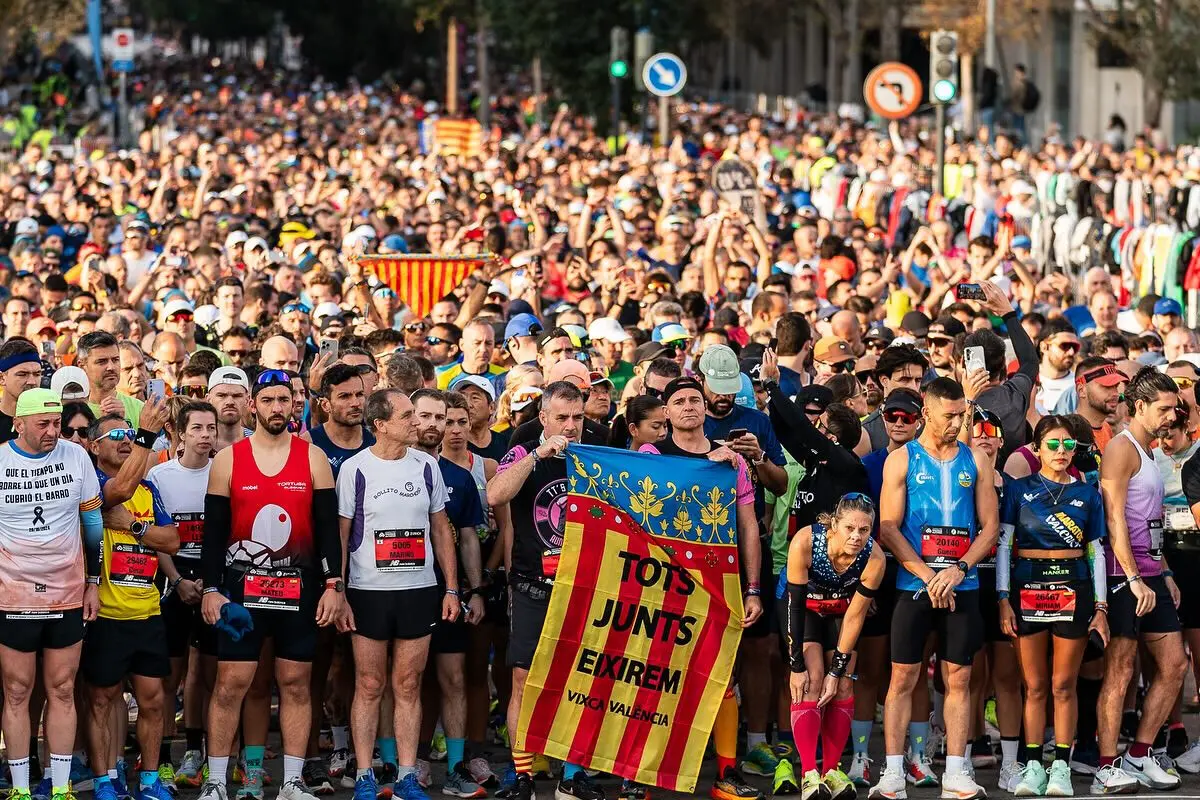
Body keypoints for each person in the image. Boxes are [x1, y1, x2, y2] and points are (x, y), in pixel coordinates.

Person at [197, 369, 345, 800]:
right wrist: (210, 589)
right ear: (252, 405)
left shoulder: (312, 457)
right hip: (241, 594)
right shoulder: (228, 460)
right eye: (268, 400)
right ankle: (216, 782)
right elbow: (214, 534)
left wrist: (334, 585)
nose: (277, 408)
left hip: (299, 591)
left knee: (296, 683)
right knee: (231, 684)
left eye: (284, 400)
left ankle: (292, 782)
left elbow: (326, 529)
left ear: (294, 405)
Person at [637, 376, 765, 800]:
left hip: (718, 583)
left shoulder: (732, 462)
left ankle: (726, 775)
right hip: (664, 584)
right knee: (655, 678)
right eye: (679, 401)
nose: (689, 406)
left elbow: (749, 527)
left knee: (720, 678)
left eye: (695, 399)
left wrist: (752, 588)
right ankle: (642, 776)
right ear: (666, 412)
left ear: (705, 408)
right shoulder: (652, 454)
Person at [870, 377, 998, 800]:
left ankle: (957, 772)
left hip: (963, 582)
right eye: (949, 415)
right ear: (926, 412)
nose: (957, 423)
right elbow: (888, 528)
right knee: (903, 677)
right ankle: (892, 772)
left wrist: (958, 570)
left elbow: (990, 527)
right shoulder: (902, 459)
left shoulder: (976, 459)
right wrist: (929, 576)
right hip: (915, 582)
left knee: (959, 678)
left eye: (962, 415)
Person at [486, 382, 611, 800]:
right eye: (562, 418)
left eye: (578, 417)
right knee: (523, 678)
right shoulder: (524, 452)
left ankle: (572, 775)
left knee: (578, 681)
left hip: (584, 586)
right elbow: (496, 494)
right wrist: (539, 454)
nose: (571, 426)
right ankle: (523, 775)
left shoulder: (596, 456)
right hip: (532, 585)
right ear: (543, 418)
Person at [336, 388, 461, 800]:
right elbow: (341, 536)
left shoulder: (427, 465)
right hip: (368, 591)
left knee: (408, 683)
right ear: (381, 424)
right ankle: (365, 774)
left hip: (418, 590)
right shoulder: (355, 469)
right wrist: (338, 590)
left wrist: (451, 588)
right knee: (370, 683)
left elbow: (441, 528)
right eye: (408, 415)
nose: (417, 422)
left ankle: (407, 775)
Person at [997, 416, 1110, 797]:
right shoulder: (1018, 489)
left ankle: (1061, 766)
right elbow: (1003, 546)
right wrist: (1002, 598)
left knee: (1064, 685)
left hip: (1074, 590)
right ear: (1037, 448)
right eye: (1053, 444)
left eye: (1069, 445)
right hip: (1027, 589)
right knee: (1034, 686)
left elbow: (1096, 552)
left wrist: (1101, 607)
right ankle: (1033, 766)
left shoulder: (1088, 494)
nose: (1061, 451)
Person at [0, 389, 102, 800]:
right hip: (13, 595)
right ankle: (20, 789)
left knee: (62, 689)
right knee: (16, 691)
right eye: (42, 424)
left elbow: (92, 525)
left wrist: (93, 581)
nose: (52, 431)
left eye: (56, 423)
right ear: (18, 424)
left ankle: (61, 787)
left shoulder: (76, 456)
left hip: (66, 593)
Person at [1095, 367, 1187, 793]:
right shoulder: (1121, 448)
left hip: (1150, 574)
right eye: (1164, 409)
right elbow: (1113, 517)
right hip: (1123, 576)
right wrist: (1132, 577)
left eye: (1175, 409)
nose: (1172, 416)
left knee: (1174, 665)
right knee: (1121, 670)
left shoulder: (1150, 452)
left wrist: (1163, 571)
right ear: (1140, 406)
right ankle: (1106, 765)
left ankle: (1139, 753)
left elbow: (1150, 521)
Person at [85, 408, 179, 800]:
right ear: (94, 447)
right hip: (106, 613)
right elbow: (120, 491)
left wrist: (135, 526)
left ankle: (151, 780)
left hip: (147, 610)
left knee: (154, 701)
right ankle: (105, 780)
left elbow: (172, 541)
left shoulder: (148, 489)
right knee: (101, 700)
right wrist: (146, 434)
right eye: (115, 435)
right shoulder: (91, 482)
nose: (125, 440)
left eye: (129, 434)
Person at [785, 493, 886, 800]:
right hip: (803, 610)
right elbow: (795, 606)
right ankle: (809, 774)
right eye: (849, 528)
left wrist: (837, 670)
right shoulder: (805, 542)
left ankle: (831, 771)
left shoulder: (875, 558)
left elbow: (855, 616)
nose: (856, 537)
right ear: (834, 525)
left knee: (842, 684)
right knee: (811, 678)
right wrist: (795, 666)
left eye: (864, 530)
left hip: (840, 612)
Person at [148, 402, 219, 788]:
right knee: (167, 679)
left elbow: (225, 532)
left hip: (211, 582)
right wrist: (177, 581)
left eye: (211, 428)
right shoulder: (160, 475)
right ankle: (160, 760)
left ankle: (200, 754)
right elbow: (157, 536)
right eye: (197, 428)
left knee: (209, 675)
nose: (206, 435)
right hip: (172, 581)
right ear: (180, 433)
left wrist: (209, 582)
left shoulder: (224, 470)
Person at [0, 339, 43, 443]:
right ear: (2, 378)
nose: (32, 382)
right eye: (22, 374)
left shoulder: (52, 420)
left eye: (37, 374)